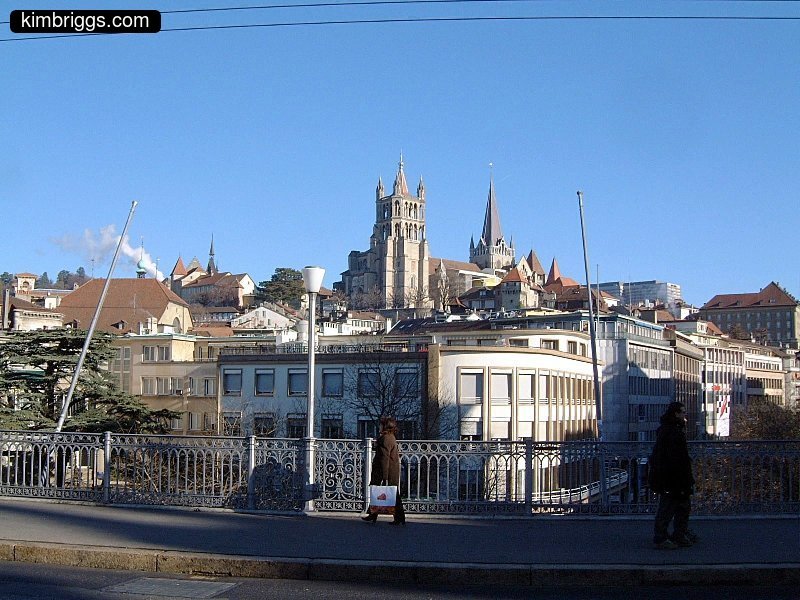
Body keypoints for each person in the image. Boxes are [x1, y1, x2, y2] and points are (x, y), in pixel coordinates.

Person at [649, 401, 697, 549]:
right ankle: (663, 537)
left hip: (675, 476)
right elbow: (672, 458)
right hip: (672, 477)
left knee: (681, 505)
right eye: (683, 412)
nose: (685, 415)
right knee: (669, 506)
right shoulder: (671, 431)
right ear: (676, 414)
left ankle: (678, 534)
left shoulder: (671, 429)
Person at [362, 416, 406, 525]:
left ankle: (396, 517)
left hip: (384, 471)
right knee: (391, 494)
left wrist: (385, 476)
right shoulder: (391, 437)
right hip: (390, 470)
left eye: (381, 424)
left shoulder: (385, 438)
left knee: (382, 492)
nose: (380, 426)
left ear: (385, 426)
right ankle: (397, 517)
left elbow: (384, 457)